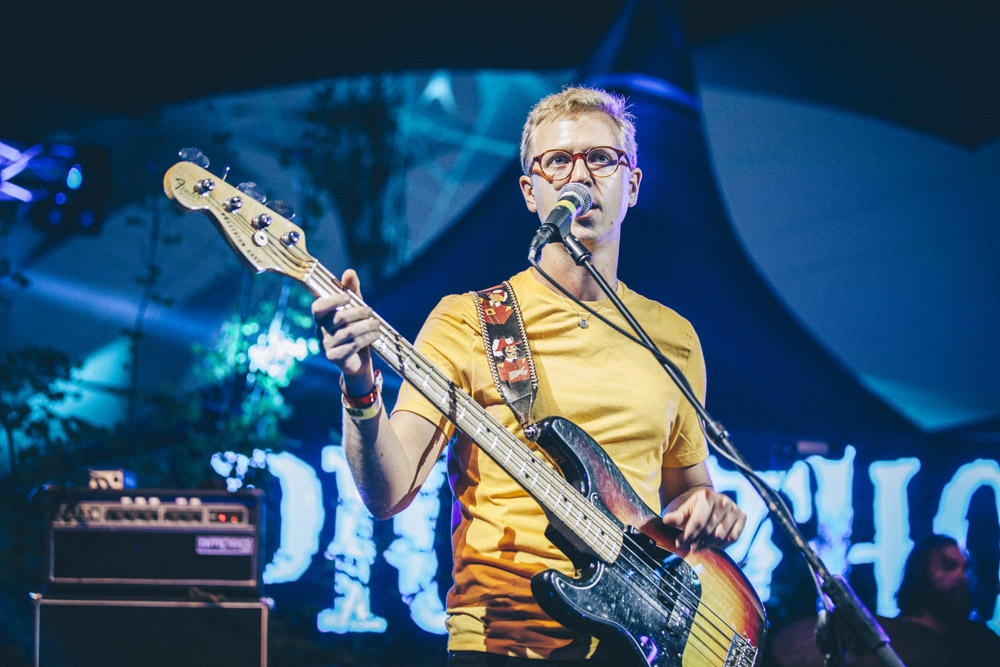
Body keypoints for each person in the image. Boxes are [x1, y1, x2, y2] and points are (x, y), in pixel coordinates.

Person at [313, 86, 746, 665]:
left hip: (640, 645)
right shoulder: (468, 322)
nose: (580, 176)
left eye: (601, 158)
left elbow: (687, 491)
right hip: (502, 643)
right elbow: (387, 492)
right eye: (558, 161)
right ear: (530, 192)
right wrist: (360, 386)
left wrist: (708, 508)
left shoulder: (672, 337)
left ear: (632, 186)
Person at [766, 534, 1000, 667]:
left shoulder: (982, 642)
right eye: (949, 566)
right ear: (918, 575)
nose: (962, 576)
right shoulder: (881, 637)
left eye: (965, 568)